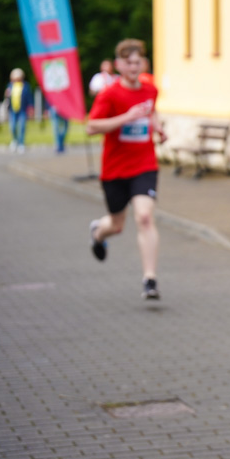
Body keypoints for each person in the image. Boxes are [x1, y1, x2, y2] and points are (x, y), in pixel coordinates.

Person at [86, 39, 167, 300]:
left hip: (144, 164)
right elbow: (91, 127)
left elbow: (151, 112)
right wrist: (126, 117)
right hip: (115, 169)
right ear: (119, 64)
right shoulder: (109, 94)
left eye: (137, 62)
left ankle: (149, 280)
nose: (133, 67)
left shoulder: (150, 90)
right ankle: (98, 233)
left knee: (144, 217)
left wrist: (158, 127)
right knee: (117, 224)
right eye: (128, 62)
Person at [4, 68, 33, 154]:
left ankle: (21, 143)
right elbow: (7, 98)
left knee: (22, 126)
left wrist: (31, 107)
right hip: (13, 110)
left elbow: (29, 97)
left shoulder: (25, 86)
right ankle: (15, 140)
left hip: (22, 110)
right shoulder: (10, 85)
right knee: (12, 127)